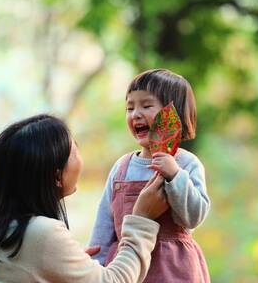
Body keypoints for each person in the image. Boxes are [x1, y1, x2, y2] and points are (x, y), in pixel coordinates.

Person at [0, 114, 168, 283]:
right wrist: (141, 219)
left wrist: (67, 266)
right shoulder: (41, 232)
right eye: (75, 150)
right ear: (57, 175)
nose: (80, 158)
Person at [89, 69, 211, 282]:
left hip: (174, 269)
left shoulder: (186, 164)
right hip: (129, 268)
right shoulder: (122, 167)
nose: (135, 114)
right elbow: (104, 226)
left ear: (173, 114)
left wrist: (174, 175)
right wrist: (97, 265)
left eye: (146, 106)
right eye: (130, 107)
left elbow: (193, 217)